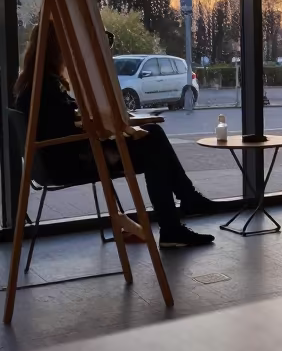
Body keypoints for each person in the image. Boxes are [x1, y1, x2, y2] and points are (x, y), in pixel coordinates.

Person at [13, 21, 218, 248]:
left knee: (152, 137)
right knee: (154, 144)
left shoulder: (32, 83)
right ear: (57, 49)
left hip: (57, 160)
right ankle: (179, 215)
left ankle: (182, 209)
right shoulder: (47, 86)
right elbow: (68, 126)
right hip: (72, 162)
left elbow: (63, 120)